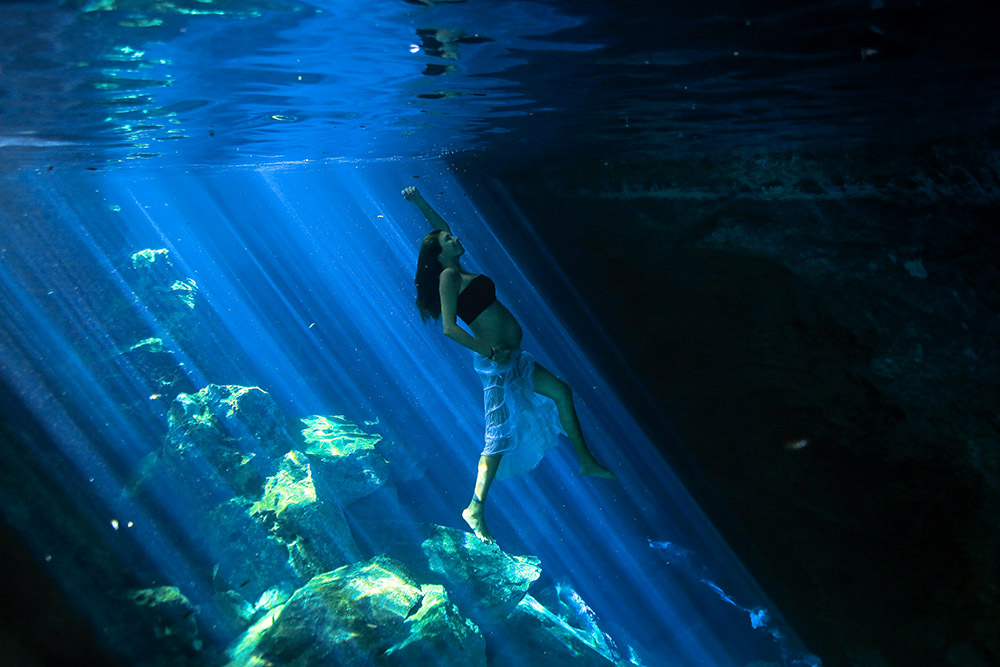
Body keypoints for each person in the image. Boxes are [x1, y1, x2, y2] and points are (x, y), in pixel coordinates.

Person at [404, 186, 614, 543]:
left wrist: (420, 200)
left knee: (562, 392)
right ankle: (475, 507)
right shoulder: (449, 277)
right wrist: (488, 354)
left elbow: (442, 226)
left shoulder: (459, 269)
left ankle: (586, 460)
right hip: (498, 364)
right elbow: (449, 327)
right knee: (497, 438)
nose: (455, 238)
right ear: (440, 255)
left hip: (514, 358)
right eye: (448, 240)